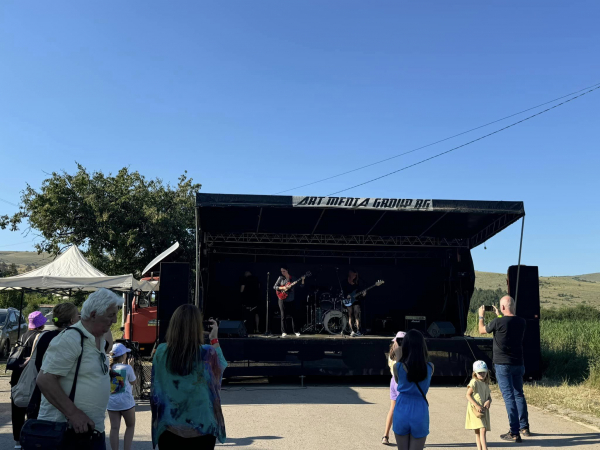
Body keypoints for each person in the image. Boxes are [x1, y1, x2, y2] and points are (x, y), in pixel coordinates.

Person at [36, 288, 120, 450]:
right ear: (94, 314)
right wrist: (73, 413)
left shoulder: (99, 339)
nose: (115, 321)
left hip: (89, 431)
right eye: (111, 315)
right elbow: (45, 380)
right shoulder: (71, 338)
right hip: (66, 433)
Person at [151, 304, 227, 449]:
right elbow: (221, 367)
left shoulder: (161, 352)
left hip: (169, 426)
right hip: (202, 428)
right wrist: (214, 339)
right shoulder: (207, 353)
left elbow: (157, 388)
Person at [478, 296, 530, 442]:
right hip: (518, 363)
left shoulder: (497, 322)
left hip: (503, 364)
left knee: (508, 397)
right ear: (513, 306)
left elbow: (482, 330)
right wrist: (499, 315)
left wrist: (481, 316)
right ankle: (524, 427)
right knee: (519, 394)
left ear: (502, 308)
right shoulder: (522, 322)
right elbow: (507, 322)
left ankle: (514, 432)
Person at [27, 302, 80, 419]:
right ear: (72, 320)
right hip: (60, 395)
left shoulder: (44, 336)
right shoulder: (69, 340)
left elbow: (37, 363)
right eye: (78, 316)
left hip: (38, 393)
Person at [10, 311, 47, 449]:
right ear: (40, 324)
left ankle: (17, 441)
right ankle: (30, 438)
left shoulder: (23, 335)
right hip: (31, 376)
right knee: (32, 409)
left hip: (17, 376)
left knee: (17, 406)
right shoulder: (40, 336)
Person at [392, 329, 434, 450]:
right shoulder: (430, 367)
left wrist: (399, 357)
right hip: (420, 409)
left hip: (402, 408)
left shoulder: (398, 366)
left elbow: (398, 381)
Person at [108, 343, 137, 450]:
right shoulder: (128, 368)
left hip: (112, 403)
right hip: (126, 403)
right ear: (123, 355)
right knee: (130, 426)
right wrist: (131, 366)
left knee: (114, 428)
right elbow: (133, 382)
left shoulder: (108, 367)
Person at [382, 331, 405, 445]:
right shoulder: (403, 355)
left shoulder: (391, 354)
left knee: (392, 409)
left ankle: (385, 435)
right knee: (403, 410)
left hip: (393, 382)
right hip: (401, 382)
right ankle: (403, 437)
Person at [465, 361, 492, 450]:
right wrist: (476, 405)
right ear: (475, 373)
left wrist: (488, 401)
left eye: (484, 372)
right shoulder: (474, 382)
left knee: (478, 432)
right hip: (475, 410)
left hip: (483, 410)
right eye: (479, 372)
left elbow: (489, 397)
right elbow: (468, 395)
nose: (482, 374)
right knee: (482, 429)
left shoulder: (486, 383)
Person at [273, 266, 305, 337]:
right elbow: (275, 287)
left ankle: (296, 331)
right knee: (283, 316)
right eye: (281, 271)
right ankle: (284, 332)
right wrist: (283, 287)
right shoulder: (280, 278)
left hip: (291, 299)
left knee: (293, 316)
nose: (282, 273)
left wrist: (302, 280)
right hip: (282, 299)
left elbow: (301, 286)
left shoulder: (293, 278)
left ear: (287, 270)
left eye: (284, 271)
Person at [342, 269, 365, 336]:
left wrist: (363, 294)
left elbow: (360, 293)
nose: (354, 276)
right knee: (350, 315)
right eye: (352, 274)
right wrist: (347, 295)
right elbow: (342, 291)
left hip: (356, 301)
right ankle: (352, 331)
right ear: (350, 273)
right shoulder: (345, 282)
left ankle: (358, 330)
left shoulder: (357, 283)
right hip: (348, 300)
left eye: (355, 275)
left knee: (357, 315)